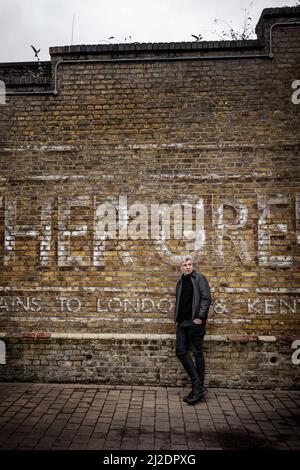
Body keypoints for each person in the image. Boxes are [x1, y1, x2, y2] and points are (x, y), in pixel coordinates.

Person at [175, 256, 211, 405]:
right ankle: (198, 387)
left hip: (195, 322)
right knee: (180, 351)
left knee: (197, 353)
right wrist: (177, 319)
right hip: (182, 323)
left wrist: (200, 317)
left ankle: (197, 388)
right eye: (185, 265)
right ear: (181, 267)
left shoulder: (200, 278)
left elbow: (206, 298)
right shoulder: (180, 281)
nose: (188, 267)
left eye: (190, 264)